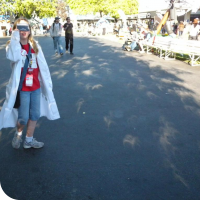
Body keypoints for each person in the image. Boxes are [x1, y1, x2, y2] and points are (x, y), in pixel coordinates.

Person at [0, 17, 60, 149]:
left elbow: (42, 66)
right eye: (20, 28)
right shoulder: (12, 45)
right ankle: (18, 134)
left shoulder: (35, 45)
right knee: (23, 117)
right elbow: (14, 57)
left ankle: (29, 140)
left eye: (26, 27)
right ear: (15, 29)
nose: (23, 30)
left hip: (36, 87)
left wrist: (47, 83)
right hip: (22, 88)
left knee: (34, 115)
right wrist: (15, 36)